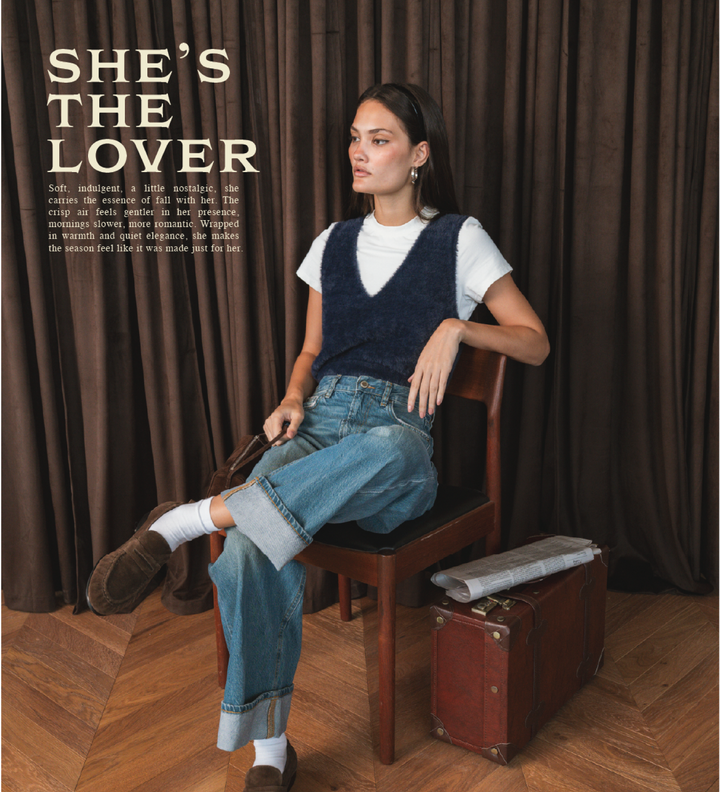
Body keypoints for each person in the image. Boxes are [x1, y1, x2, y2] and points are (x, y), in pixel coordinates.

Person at [86, 83, 549, 791]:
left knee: (390, 451)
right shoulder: (331, 243)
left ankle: (185, 520)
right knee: (245, 553)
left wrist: (458, 326)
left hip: (393, 443)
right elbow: (309, 352)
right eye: (356, 138)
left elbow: (535, 342)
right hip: (319, 426)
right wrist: (292, 399)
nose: (359, 153)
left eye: (380, 139)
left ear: (419, 155)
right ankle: (270, 751)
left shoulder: (460, 238)